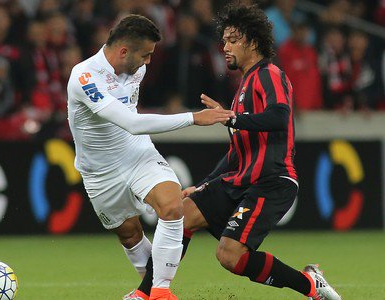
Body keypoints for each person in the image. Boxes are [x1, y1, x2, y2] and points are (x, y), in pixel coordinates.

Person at [126, 4, 342, 300]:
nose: (224, 46)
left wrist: (233, 118)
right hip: (241, 179)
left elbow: (280, 116)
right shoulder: (243, 86)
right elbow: (236, 153)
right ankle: (145, 293)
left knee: (230, 256)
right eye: (224, 40)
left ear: (251, 41)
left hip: (271, 179)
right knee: (181, 215)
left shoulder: (269, 73)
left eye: (231, 40)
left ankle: (309, 285)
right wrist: (204, 184)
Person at [66, 14, 233, 300]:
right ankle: (150, 291)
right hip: (99, 171)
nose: (148, 62)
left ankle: (159, 292)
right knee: (130, 234)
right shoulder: (84, 77)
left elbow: (132, 126)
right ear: (123, 51)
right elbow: (131, 121)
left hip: (137, 152)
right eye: (145, 55)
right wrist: (193, 118)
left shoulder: (136, 69)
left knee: (171, 207)